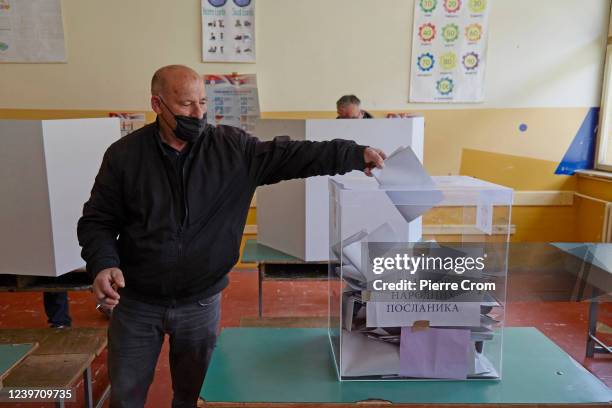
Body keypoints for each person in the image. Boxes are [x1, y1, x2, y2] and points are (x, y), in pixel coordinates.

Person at [77, 65, 386, 408]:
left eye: (202, 102)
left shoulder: (232, 149)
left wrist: (355, 154)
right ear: (157, 104)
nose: (198, 113)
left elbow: (296, 154)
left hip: (201, 302)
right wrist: (103, 264)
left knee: (193, 396)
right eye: (185, 105)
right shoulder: (124, 156)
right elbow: (97, 220)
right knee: (126, 395)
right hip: (136, 304)